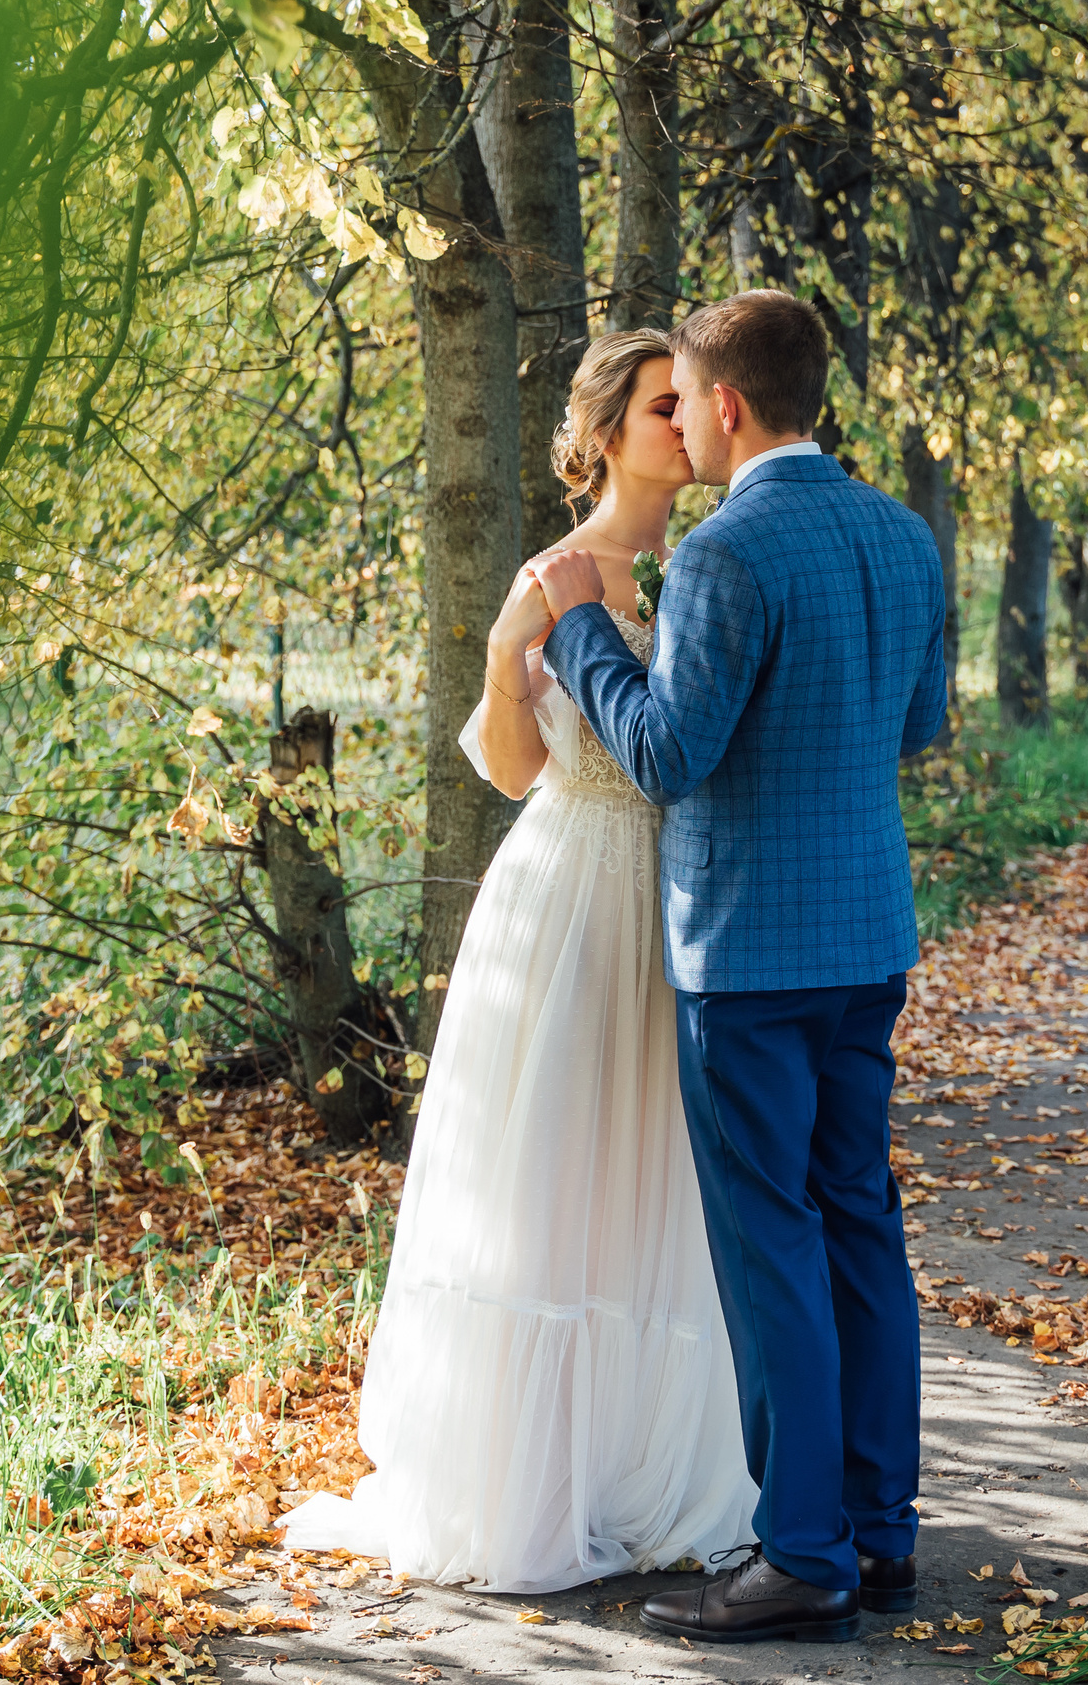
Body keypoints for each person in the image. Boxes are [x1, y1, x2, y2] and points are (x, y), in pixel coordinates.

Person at [278, 329, 757, 1591]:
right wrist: (503, 659)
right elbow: (508, 766)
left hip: (689, 896)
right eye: (663, 406)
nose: (685, 421)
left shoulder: (715, 561)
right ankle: (531, 1476)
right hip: (569, 887)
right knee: (553, 1165)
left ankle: (650, 1462)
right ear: (606, 433)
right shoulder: (556, 574)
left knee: (659, 1173)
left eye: (690, 404)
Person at [535, 290, 950, 1645]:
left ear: (724, 403)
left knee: (772, 1238)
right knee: (861, 1221)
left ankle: (802, 1549)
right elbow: (920, 725)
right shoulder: (903, 534)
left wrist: (587, 629)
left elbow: (662, 754)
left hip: (750, 953)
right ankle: (883, 1537)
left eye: (688, 400)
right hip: (867, 936)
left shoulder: (723, 555)